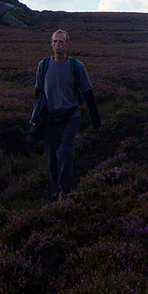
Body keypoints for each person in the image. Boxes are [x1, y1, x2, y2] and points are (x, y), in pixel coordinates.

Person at [33, 29, 101, 201]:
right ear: (51, 44)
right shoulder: (43, 66)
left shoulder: (76, 66)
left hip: (71, 117)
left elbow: (88, 94)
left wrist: (96, 122)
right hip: (49, 118)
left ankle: (65, 190)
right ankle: (56, 188)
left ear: (68, 45)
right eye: (55, 42)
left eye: (61, 42)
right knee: (51, 157)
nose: (58, 45)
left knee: (64, 152)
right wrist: (35, 117)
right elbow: (38, 93)